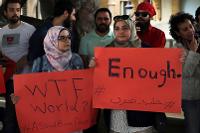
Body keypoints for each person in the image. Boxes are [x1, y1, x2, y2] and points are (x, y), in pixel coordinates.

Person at [12, 26, 84, 133]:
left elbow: (82, 87)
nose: (67, 41)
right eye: (62, 38)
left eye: (69, 37)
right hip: (48, 118)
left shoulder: (76, 59)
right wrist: (19, 97)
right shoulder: (40, 62)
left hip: (70, 117)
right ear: (52, 39)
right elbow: (32, 90)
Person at [0, 0, 35, 132]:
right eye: (11, 10)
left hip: (28, 81)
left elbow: (37, 51)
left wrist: (26, 58)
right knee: (10, 117)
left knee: (27, 116)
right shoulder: (1, 32)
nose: (15, 13)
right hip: (9, 81)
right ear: (5, 12)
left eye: (17, 10)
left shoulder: (30, 30)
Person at [169, 12, 200, 133]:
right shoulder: (176, 48)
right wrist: (193, 52)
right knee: (193, 129)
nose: (190, 30)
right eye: (185, 29)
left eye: (191, 26)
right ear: (178, 33)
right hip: (190, 98)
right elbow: (186, 73)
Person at [28, 0, 76, 64]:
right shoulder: (41, 34)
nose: (74, 18)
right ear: (65, 13)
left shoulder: (70, 32)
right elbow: (33, 61)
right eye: (73, 15)